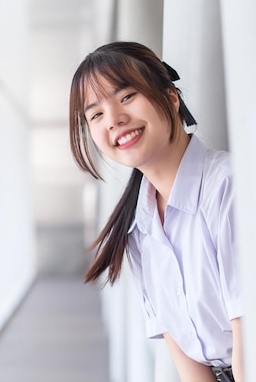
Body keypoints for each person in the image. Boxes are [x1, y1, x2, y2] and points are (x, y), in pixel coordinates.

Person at [68, 41, 244, 382]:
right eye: (96, 114)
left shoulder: (227, 187)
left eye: (127, 97)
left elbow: (252, 337)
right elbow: (187, 358)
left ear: (171, 97)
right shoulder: (138, 228)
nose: (115, 120)